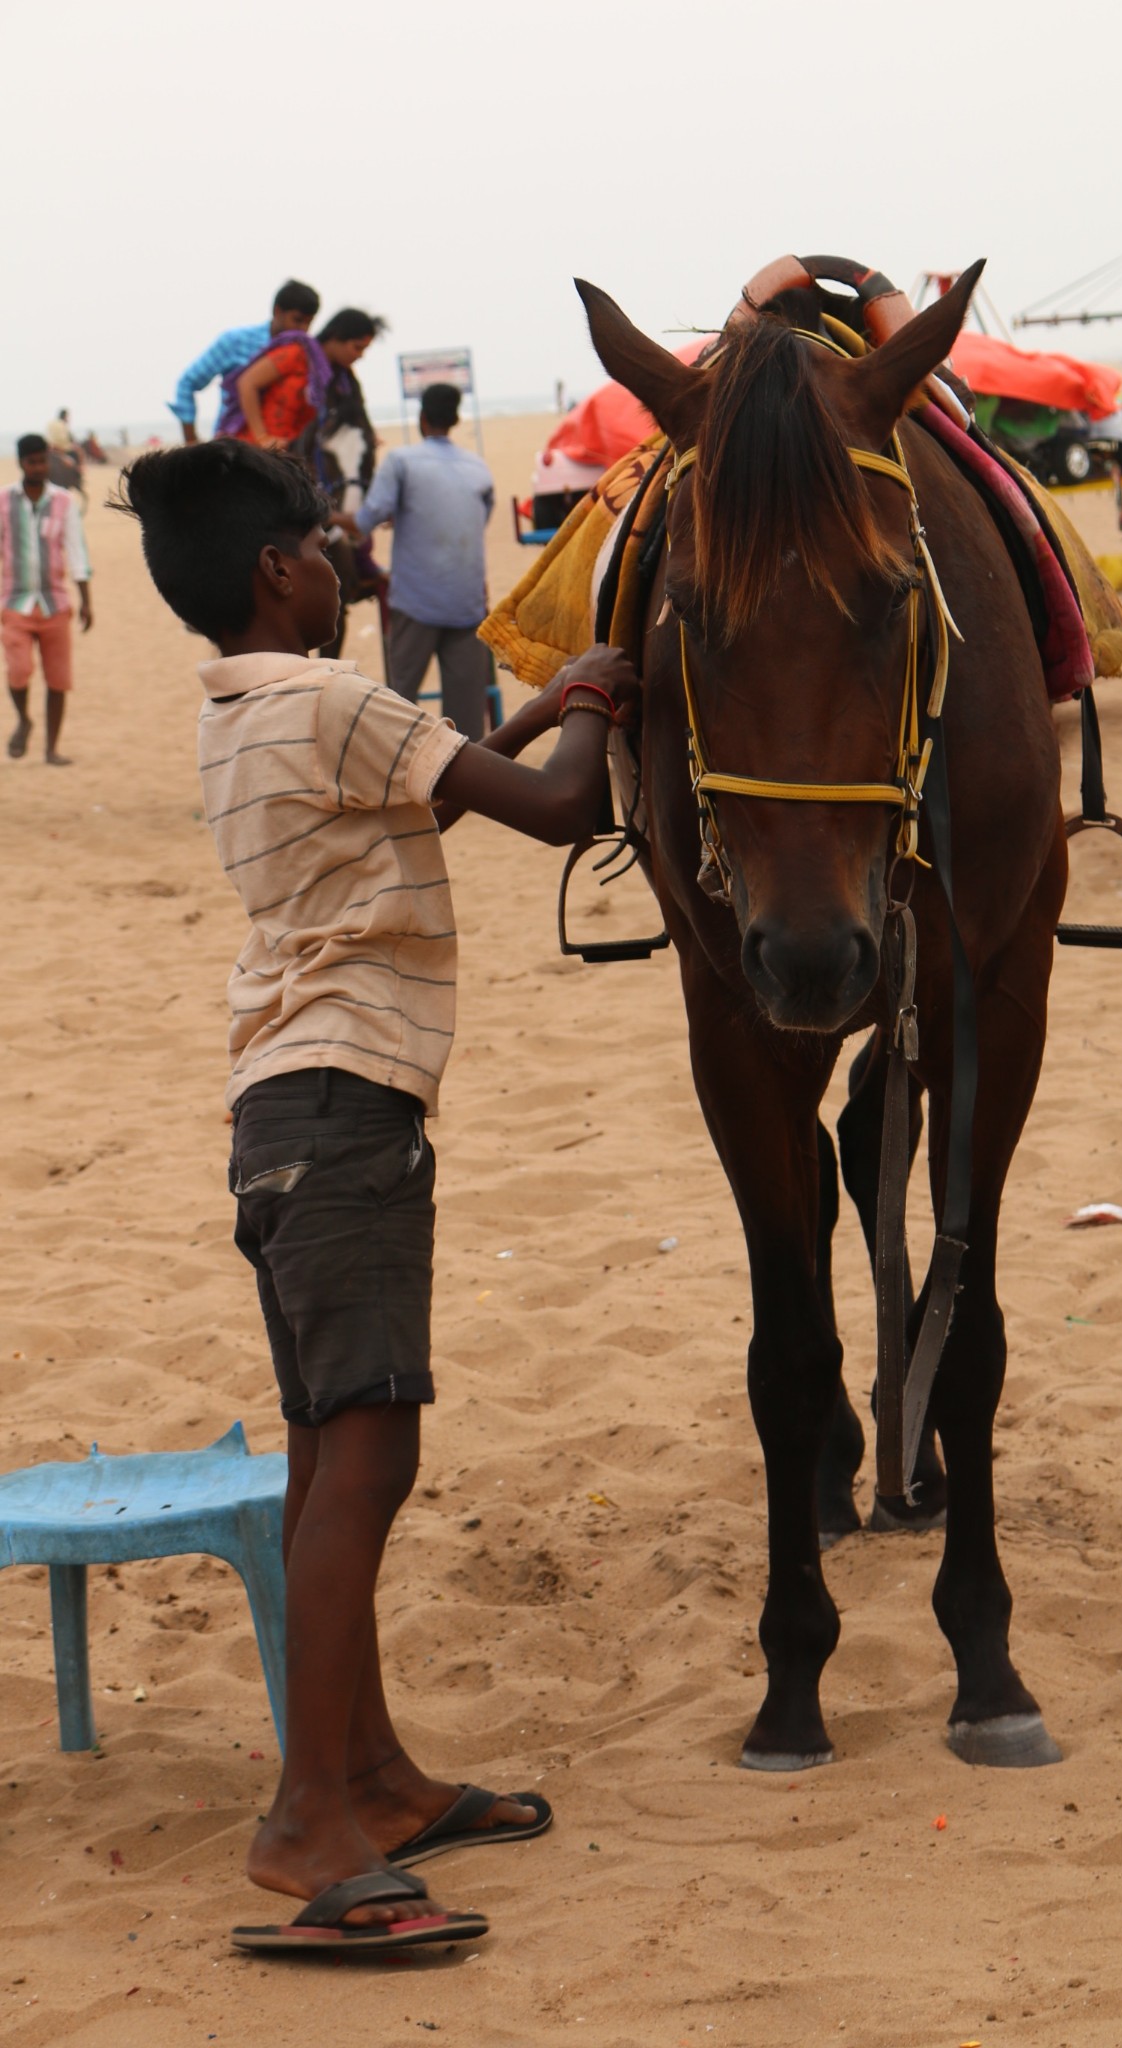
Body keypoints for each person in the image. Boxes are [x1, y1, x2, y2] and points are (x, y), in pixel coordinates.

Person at [115, 438, 638, 1957]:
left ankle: (376, 1776)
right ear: (280, 570)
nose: (346, 559)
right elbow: (556, 815)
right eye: (327, 541)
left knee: (324, 1450)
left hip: (280, 1115)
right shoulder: (338, 700)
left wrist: (540, 716)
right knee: (368, 1462)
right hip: (346, 1116)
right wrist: (599, 696)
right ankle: (305, 1825)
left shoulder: (247, 710)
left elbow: (425, 794)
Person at [345, 382, 494, 732]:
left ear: (422, 418)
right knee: (467, 718)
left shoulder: (401, 461)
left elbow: (365, 520)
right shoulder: (478, 467)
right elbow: (477, 522)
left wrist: (328, 517)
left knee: (400, 702)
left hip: (416, 604)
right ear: (454, 419)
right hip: (468, 603)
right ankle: (468, 780)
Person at [2, 434, 92, 765]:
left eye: (42, 460)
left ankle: (51, 748)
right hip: (15, 602)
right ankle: (24, 719)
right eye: (32, 462)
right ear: (21, 463)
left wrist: (86, 600)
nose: (38, 467)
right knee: (19, 670)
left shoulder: (63, 502)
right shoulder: (3, 501)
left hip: (55, 603)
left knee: (57, 678)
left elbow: (76, 550)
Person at [169, 281, 321, 443]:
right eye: (297, 320)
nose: (302, 330)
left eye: (308, 322)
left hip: (285, 448)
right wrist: (191, 441)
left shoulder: (307, 355)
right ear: (277, 311)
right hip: (234, 448)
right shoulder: (236, 342)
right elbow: (187, 383)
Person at [226, 308, 384, 450]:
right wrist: (262, 438)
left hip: (293, 457)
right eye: (357, 347)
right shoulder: (296, 354)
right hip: (255, 454)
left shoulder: (342, 378)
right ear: (336, 337)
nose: (360, 355)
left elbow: (354, 411)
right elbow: (246, 383)